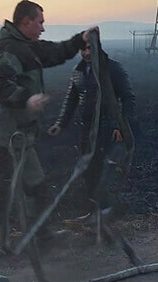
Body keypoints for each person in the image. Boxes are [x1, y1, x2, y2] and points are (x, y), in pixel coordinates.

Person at [0, 0, 97, 282]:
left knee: (36, 185)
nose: (43, 27)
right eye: (39, 22)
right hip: (4, 139)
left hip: (21, 138)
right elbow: (0, 86)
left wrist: (79, 40)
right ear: (25, 22)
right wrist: (27, 98)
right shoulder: (10, 51)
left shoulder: (26, 47)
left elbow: (55, 52)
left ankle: (44, 237)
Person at [48, 42, 135, 213]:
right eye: (83, 49)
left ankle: (107, 210)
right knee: (88, 170)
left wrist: (121, 126)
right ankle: (94, 211)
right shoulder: (78, 71)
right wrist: (61, 123)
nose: (86, 53)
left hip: (107, 128)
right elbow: (71, 99)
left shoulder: (113, 69)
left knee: (104, 169)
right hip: (86, 130)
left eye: (90, 48)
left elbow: (128, 98)